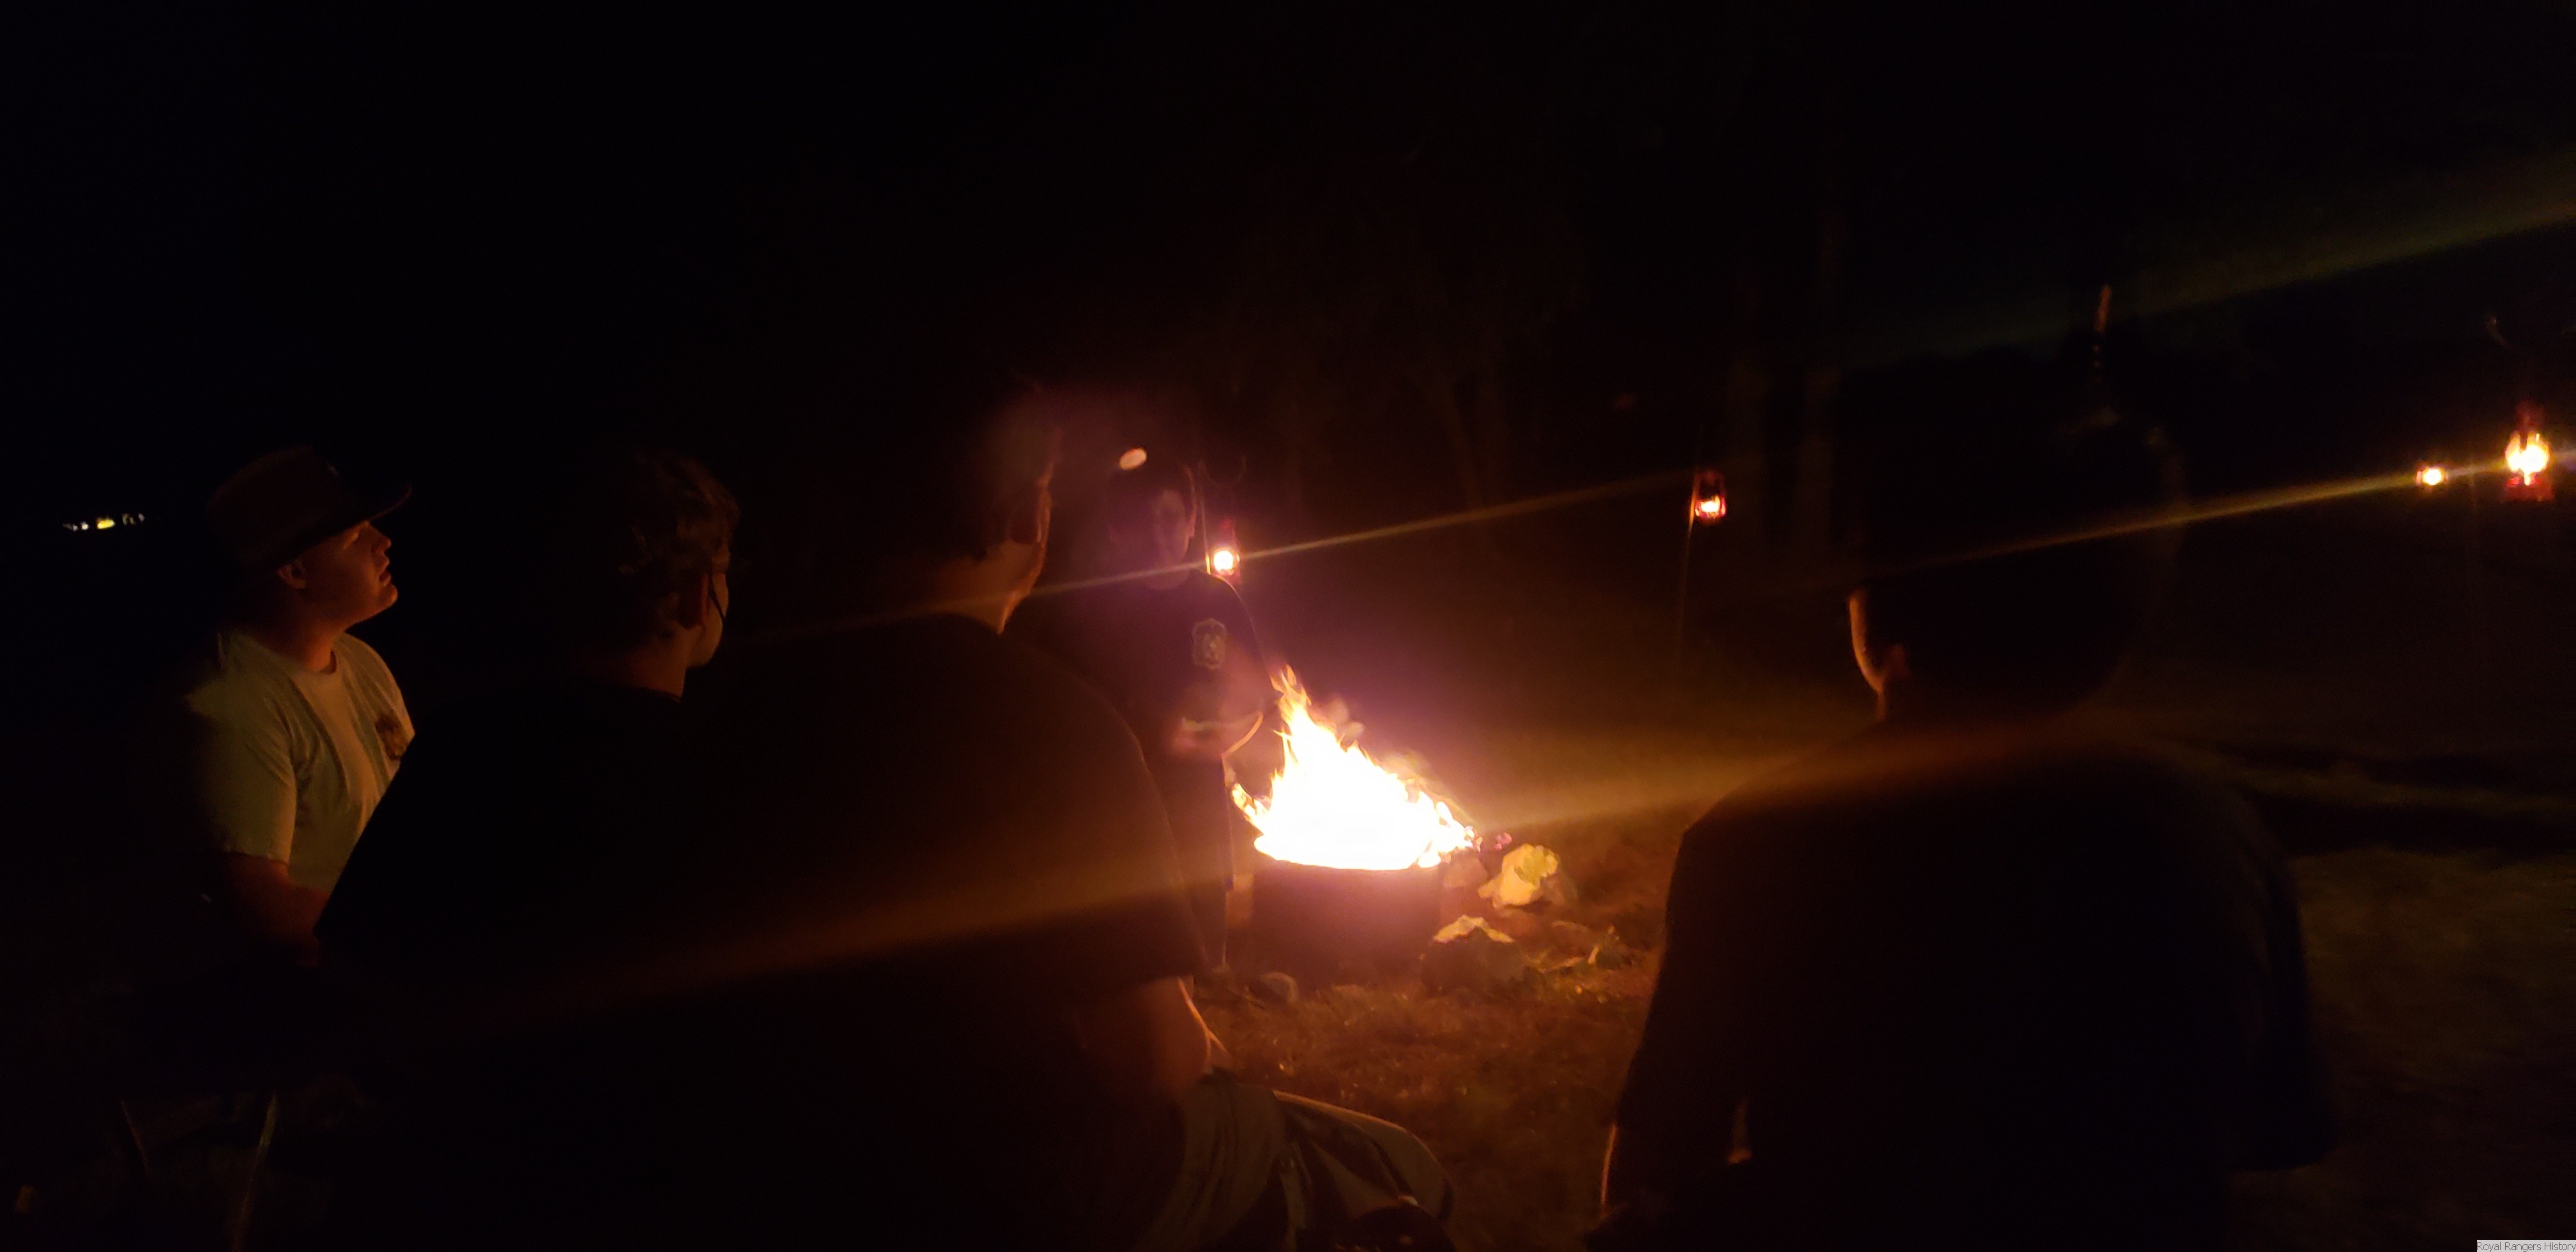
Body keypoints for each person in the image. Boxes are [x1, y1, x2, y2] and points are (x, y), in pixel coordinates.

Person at [323, 360, 1450, 1251]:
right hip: (990, 1192)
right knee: (1375, 1163)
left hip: (773, 1172)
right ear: (1025, 523)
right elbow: (1149, 1060)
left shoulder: (720, 716)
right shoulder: (1047, 721)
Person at [1596, 353, 2334, 1251]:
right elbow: (2268, 1139)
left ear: (1876, 612)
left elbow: (1658, 1168)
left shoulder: (1762, 841)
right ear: (2121, 627)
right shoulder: (2221, 839)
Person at [319, 446, 737, 981]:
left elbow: (354, 953)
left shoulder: (460, 747)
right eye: (724, 571)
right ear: (698, 597)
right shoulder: (712, 774)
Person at [1010, 450, 1275, 972]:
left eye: (1171, 518)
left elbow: (1254, 700)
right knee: (1127, 957)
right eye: (1143, 521)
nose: (1159, 534)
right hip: (1116, 811)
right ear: (1117, 529)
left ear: (1192, 522)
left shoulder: (1217, 601)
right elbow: (1062, 710)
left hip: (1195, 811)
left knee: (1200, 957)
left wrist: (1211, 741)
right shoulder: (1089, 609)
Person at [166, 446, 413, 965]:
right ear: (295, 571)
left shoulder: (360, 661)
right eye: (355, 537)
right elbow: (264, 907)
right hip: (321, 989)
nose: (383, 542)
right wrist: (412, 940)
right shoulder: (231, 706)